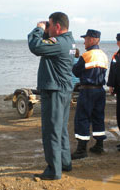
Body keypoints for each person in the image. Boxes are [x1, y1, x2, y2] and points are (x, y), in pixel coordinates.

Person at [28, 12, 76, 180]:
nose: (47, 27)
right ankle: (64, 163)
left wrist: (38, 29)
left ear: (57, 26)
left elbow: (36, 47)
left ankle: (53, 170)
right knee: (60, 129)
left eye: (49, 24)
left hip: (55, 91)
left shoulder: (59, 42)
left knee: (51, 132)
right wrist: (46, 31)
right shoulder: (69, 41)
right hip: (62, 91)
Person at [71, 29, 108, 160]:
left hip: (87, 90)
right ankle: (99, 145)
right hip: (100, 90)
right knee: (98, 117)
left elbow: (75, 71)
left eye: (85, 39)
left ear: (92, 39)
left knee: (82, 118)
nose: (84, 42)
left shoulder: (86, 56)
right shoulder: (104, 55)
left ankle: (81, 149)